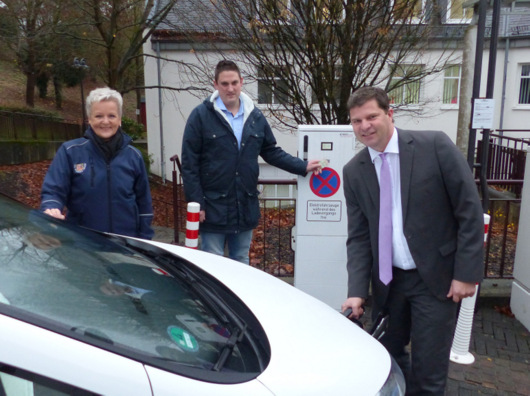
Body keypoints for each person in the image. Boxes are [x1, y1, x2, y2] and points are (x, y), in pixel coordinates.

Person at [340, 87, 483, 395]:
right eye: (356, 121)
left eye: (371, 117)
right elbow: (359, 237)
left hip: (436, 280)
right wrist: (355, 292)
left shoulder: (434, 146)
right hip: (388, 285)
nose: (364, 126)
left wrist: (466, 274)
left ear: (390, 114)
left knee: (429, 372)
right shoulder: (353, 172)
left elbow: (469, 210)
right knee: (385, 360)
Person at [181, 60, 322, 264]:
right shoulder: (201, 116)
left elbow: (271, 152)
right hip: (213, 208)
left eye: (234, 83)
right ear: (215, 84)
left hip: (244, 207)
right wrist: (197, 202)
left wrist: (302, 166)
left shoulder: (254, 116)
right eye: (225, 84)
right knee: (212, 265)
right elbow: (189, 164)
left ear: (242, 82)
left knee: (241, 262)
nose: (230, 88)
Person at [40, 87, 154, 239]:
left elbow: (144, 203)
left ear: (119, 119)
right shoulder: (70, 152)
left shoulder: (134, 156)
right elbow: (54, 190)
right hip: (83, 245)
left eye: (111, 116)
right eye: (99, 116)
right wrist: (51, 208)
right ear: (89, 119)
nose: (105, 121)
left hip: (125, 245)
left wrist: (145, 241)